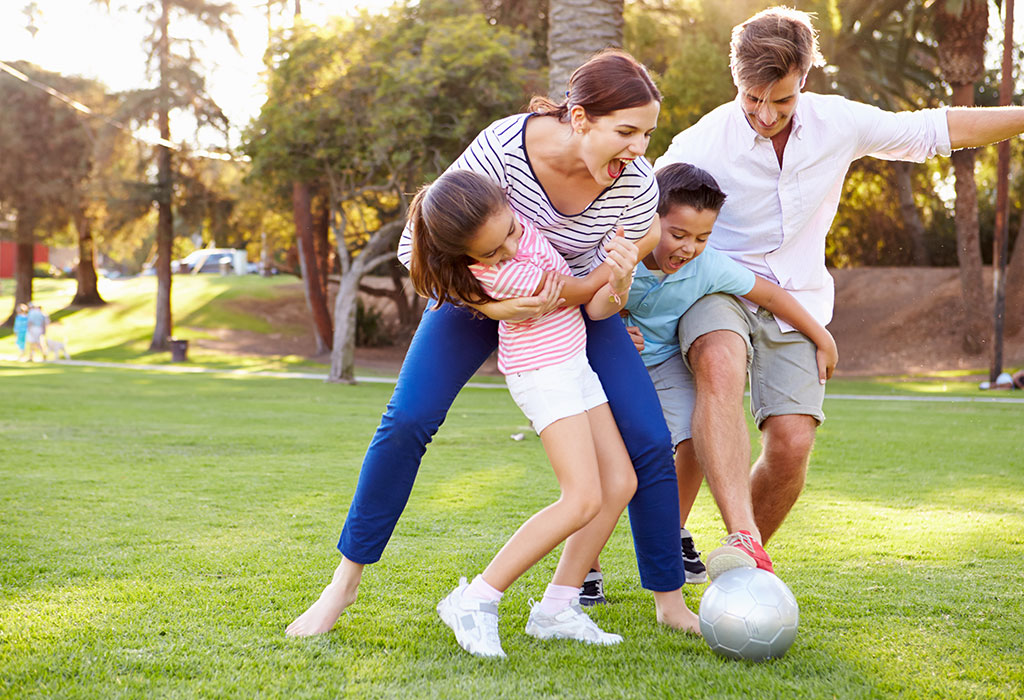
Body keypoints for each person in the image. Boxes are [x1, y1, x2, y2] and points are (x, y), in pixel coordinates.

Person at [287, 49, 700, 637]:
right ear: (580, 118)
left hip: (574, 300)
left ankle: (660, 601)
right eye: (626, 132)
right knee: (408, 419)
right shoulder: (504, 149)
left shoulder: (631, 182)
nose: (640, 150)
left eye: (647, 133)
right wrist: (494, 307)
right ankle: (343, 584)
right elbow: (416, 250)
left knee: (649, 442)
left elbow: (632, 249)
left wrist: (623, 269)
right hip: (474, 297)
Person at [654, 6, 1024, 575]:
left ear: (805, 76)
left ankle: (737, 566)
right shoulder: (699, 144)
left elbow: (936, 130)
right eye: (752, 98)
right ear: (736, 79)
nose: (765, 114)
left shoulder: (838, 122)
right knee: (718, 365)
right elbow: (638, 215)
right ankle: (739, 538)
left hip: (798, 300)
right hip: (717, 289)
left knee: (792, 444)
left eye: (781, 99)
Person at [408, 169, 639, 657]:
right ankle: (476, 598)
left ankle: (557, 607)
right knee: (580, 498)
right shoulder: (504, 272)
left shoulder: (516, 222)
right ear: (468, 258)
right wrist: (625, 256)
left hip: (574, 365)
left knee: (620, 483)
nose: (510, 249)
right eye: (490, 253)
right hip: (543, 373)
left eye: (510, 232)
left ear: (510, 206)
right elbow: (575, 292)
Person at [621, 163, 837, 581]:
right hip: (617, 366)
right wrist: (613, 330)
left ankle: (672, 533)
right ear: (650, 218)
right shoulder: (621, 254)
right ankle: (585, 570)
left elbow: (770, 294)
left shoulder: (708, 267)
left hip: (664, 364)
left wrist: (821, 336)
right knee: (611, 466)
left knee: (696, 434)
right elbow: (584, 300)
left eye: (702, 238)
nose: (688, 248)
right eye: (678, 235)